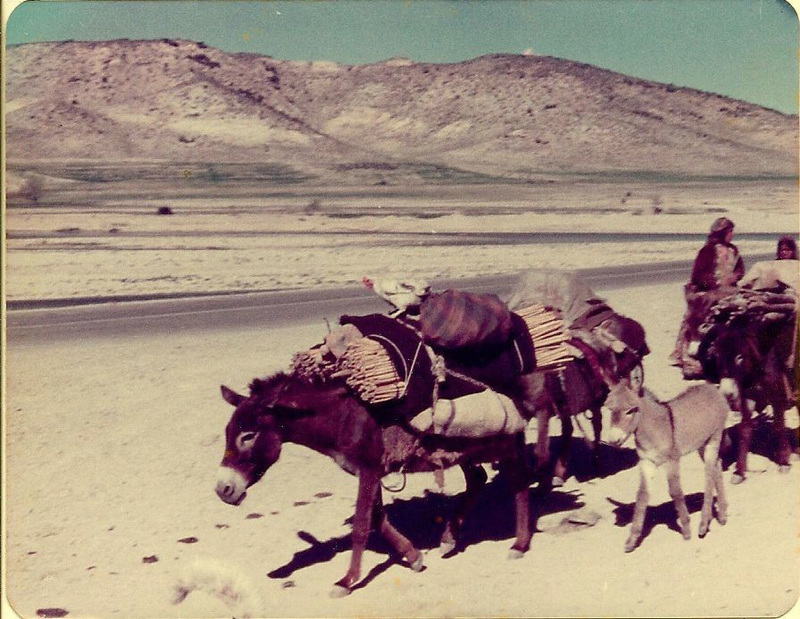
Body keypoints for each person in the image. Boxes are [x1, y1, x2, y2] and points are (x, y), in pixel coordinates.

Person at [670, 217, 744, 366]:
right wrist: (713, 283)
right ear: (723, 232)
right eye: (730, 231)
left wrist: (735, 276)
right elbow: (697, 275)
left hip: (729, 290)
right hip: (709, 291)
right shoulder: (708, 250)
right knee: (694, 316)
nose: (732, 234)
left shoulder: (733, 249)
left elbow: (740, 269)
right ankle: (686, 352)